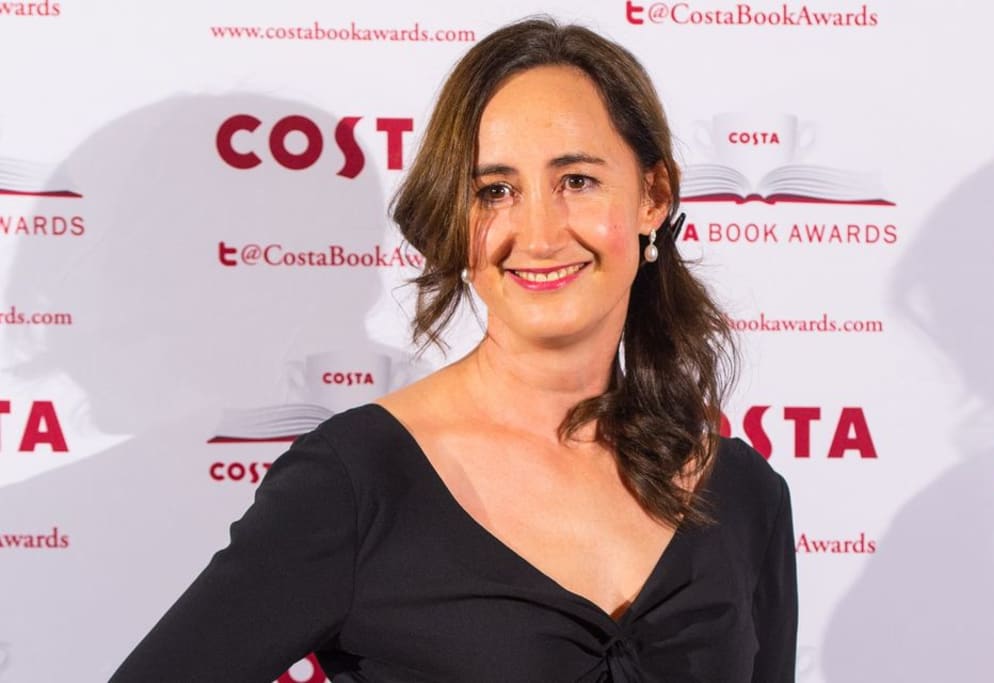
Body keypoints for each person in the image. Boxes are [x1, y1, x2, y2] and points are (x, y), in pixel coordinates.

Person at [111, 17, 796, 683]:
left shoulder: (743, 493)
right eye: (495, 191)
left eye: (577, 181)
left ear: (653, 195)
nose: (539, 234)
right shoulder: (356, 483)